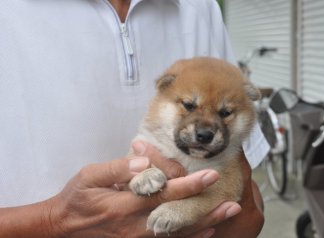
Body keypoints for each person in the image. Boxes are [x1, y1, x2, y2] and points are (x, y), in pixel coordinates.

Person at [0, 0, 269, 237]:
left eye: (224, 113)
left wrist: (229, 218)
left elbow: (249, 204)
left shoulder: (200, 6)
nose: (205, 127)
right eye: (188, 105)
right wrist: (53, 221)